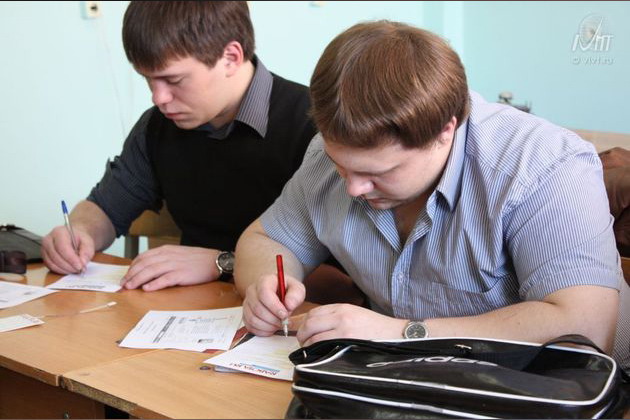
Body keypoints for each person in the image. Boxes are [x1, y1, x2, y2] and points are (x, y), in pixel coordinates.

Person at [235, 20, 630, 370]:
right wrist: (267, 284)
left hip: (573, 389)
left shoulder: (543, 166)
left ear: (446, 130)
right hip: (418, 379)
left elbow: (584, 328)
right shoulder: (326, 156)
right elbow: (265, 239)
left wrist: (401, 333)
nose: (353, 188)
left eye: (379, 173)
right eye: (343, 166)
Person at [41, 1, 338, 293]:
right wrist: (79, 232)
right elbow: (106, 207)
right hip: (185, 311)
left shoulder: (318, 130)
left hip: (291, 318)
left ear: (230, 57)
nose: (158, 98)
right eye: (148, 79)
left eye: (174, 80)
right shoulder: (158, 126)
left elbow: (346, 284)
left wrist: (222, 263)